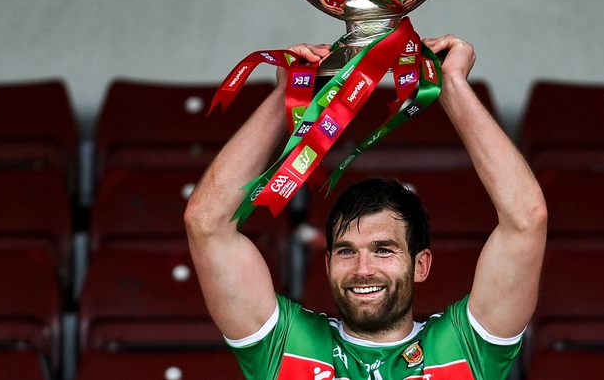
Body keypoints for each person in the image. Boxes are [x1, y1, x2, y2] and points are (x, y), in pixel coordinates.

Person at [185, 35, 548, 379]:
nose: (363, 269)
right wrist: (288, 98)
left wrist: (451, 84)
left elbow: (526, 220)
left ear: (420, 264)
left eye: (383, 250)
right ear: (327, 264)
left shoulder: (465, 347)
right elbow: (207, 223)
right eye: (346, 251)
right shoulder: (285, 344)